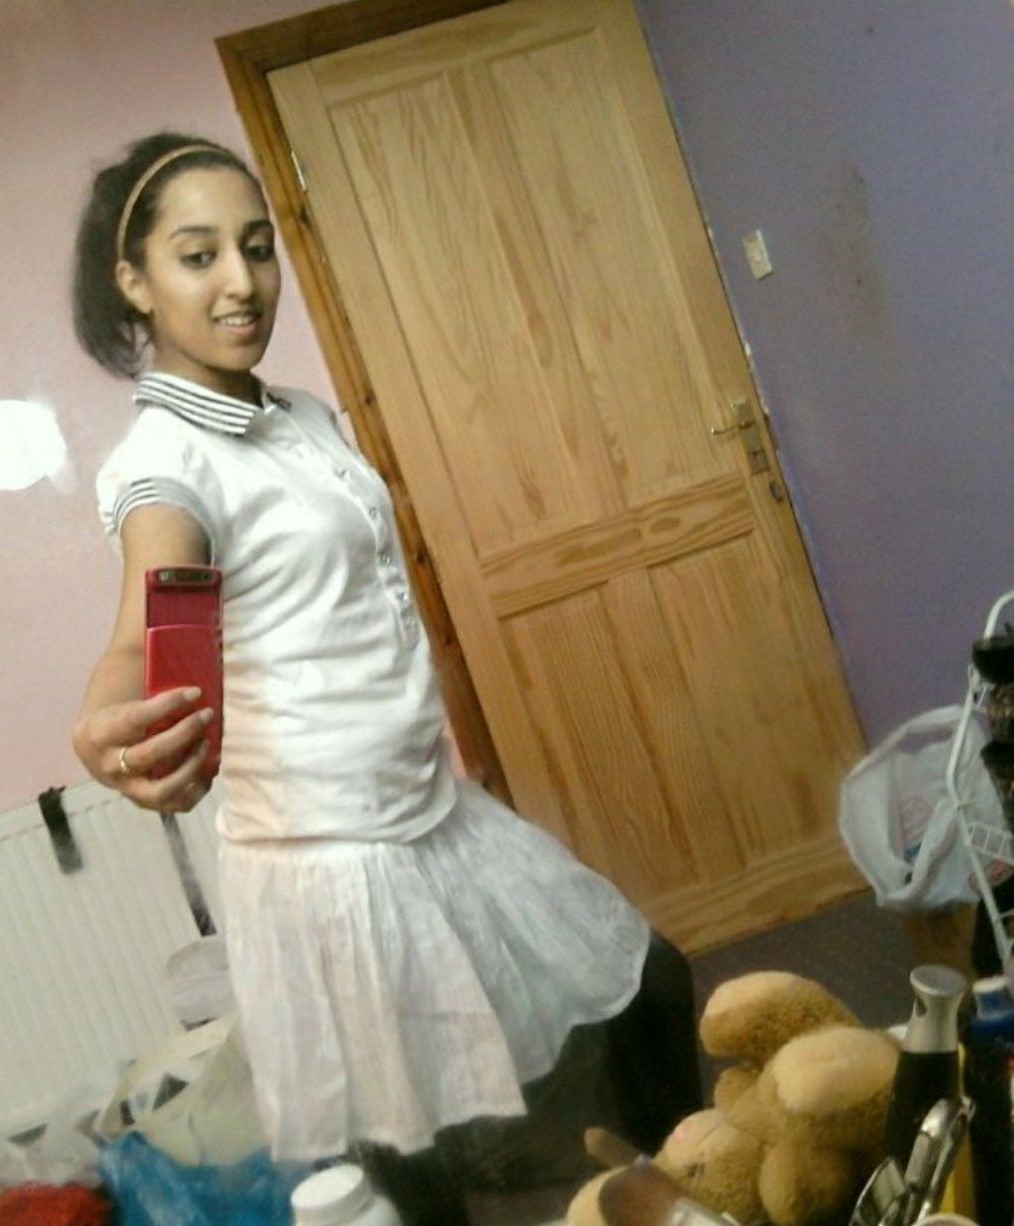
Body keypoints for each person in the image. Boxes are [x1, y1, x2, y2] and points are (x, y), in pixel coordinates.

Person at [71, 132, 700, 1223]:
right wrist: (105, 714)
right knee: (417, 1165)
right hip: (331, 862)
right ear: (135, 282)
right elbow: (150, 624)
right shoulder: (169, 462)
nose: (240, 282)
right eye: (198, 255)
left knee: (644, 987)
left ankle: (681, 1199)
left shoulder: (300, 416)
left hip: (432, 814)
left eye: (257, 247)